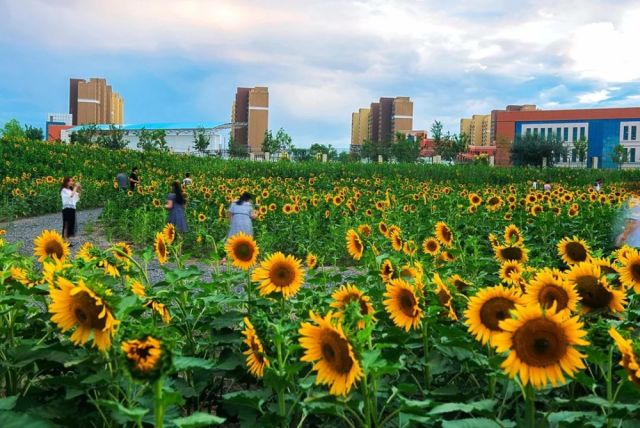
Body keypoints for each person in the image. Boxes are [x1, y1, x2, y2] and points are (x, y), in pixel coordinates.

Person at [60, 177, 81, 245]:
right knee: (66, 224)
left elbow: (77, 196)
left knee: (71, 224)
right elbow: (71, 196)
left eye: (72, 181)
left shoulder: (71, 190)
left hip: (72, 208)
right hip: (67, 209)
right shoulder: (64, 190)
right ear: (66, 182)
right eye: (70, 181)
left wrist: (79, 189)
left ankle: (67, 239)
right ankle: (65, 239)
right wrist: (75, 187)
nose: (72, 182)